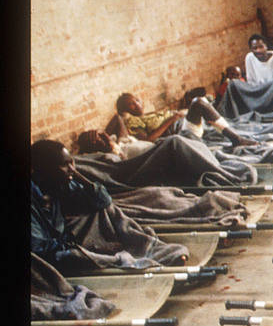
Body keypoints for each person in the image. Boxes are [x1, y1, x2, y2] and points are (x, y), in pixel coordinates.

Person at [30, 139, 188, 270]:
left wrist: (76, 175)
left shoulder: (59, 184)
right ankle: (123, 261)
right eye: (64, 165)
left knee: (103, 211)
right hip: (49, 257)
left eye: (72, 163)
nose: (71, 169)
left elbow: (102, 200)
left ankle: (147, 247)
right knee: (74, 256)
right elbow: (40, 250)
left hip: (63, 242)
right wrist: (75, 248)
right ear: (42, 169)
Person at [105, 92, 256, 147]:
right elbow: (148, 140)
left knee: (205, 99)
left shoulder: (149, 114)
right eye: (131, 104)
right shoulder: (133, 122)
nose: (137, 104)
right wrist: (172, 119)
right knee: (198, 102)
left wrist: (178, 113)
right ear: (125, 110)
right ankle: (236, 139)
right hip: (182, 132)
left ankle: (229, 131)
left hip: (184, 122)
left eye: (137, 100)